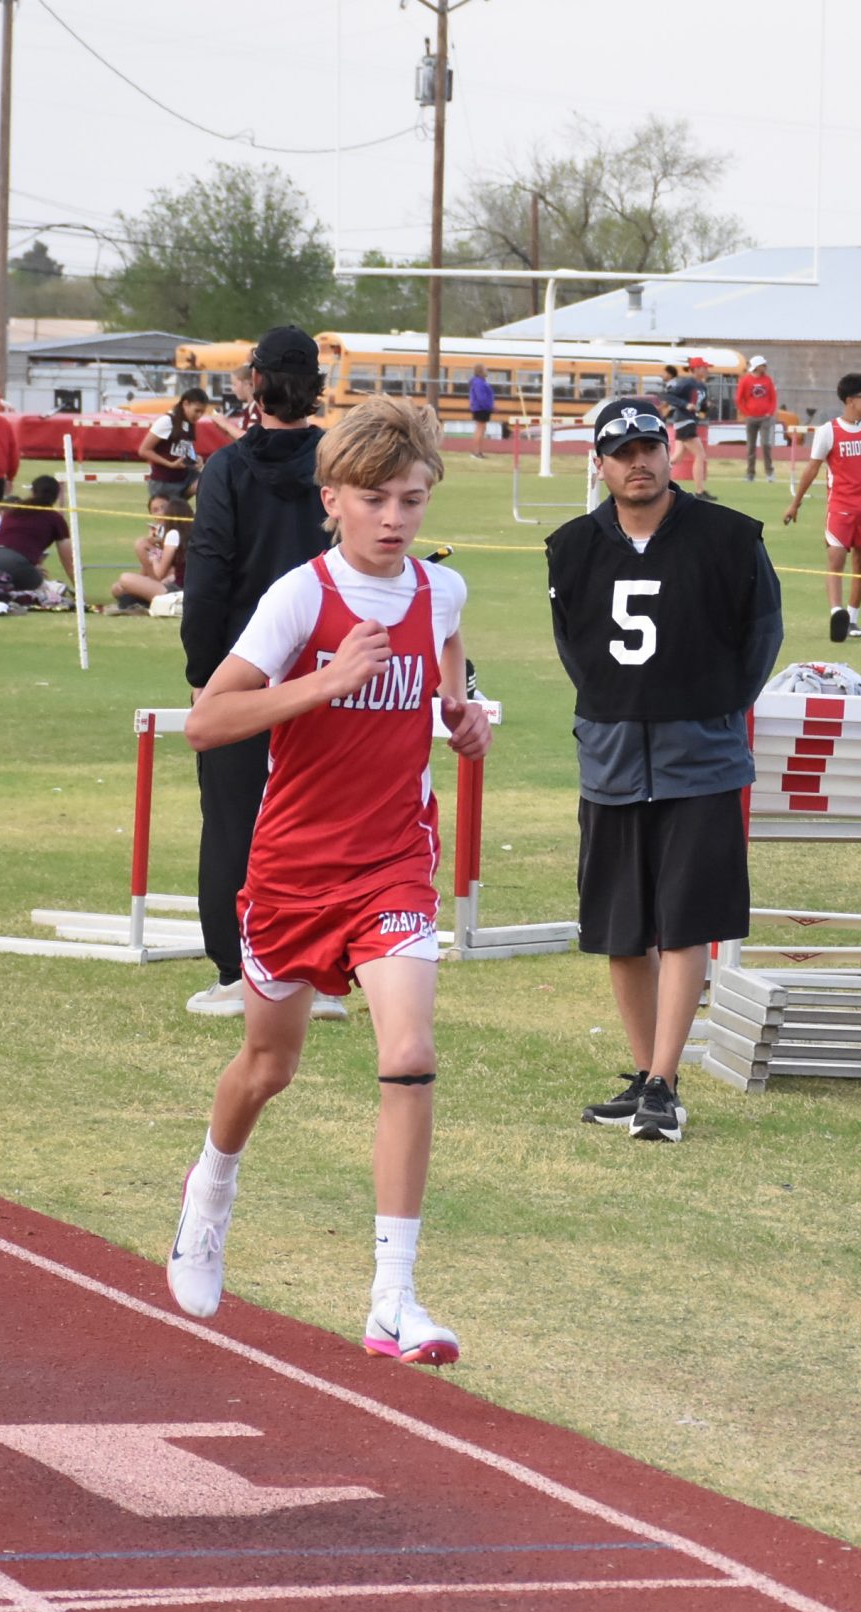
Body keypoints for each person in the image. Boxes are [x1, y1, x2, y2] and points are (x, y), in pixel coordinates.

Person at [165, 396, 488, 1364]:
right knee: (270, 1066)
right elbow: (206, 722)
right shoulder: (299, 599)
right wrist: (323, 683)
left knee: (411, 1053)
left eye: (412, 500)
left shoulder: (442, 591)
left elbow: (450, 676)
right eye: (376, 499)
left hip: (394, 863)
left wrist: (462, 716)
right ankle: (210, 1189)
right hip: (294, 869)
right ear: (332, 499)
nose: (395, 519)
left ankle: (393, 1298)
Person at [548, 400, 782, 1140]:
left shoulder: (729, 536)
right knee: (622, 928)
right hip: (612, 757)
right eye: (621, 452)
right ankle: (645, 1070)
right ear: (600, 463)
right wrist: (617, 711)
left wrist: (710, 709)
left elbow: (761, 635)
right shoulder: (572, 547)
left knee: (684, 921)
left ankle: (664, 1081)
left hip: (699, 757)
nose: (637, 462)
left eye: (648, 446)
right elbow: (575, 649)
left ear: (669, 450)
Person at [182, 326, 337, 1020]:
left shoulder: (227, 469)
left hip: (245, 666)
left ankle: (236, 971)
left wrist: (203, 670)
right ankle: (319, 969)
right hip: (328, 664)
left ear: (258, 383)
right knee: (326, 820)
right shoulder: (340, 463)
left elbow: (207, 574)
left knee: (232, 822)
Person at [782, 374, 861, 643]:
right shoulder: (828, 431)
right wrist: (795, 503)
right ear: (850, 400)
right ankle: (836, 612)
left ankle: (852, 617)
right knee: (836, 556)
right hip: (840, 508)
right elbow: (812, 469)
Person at [0, 475, 74, 593]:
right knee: (43, 592)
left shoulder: (13, 512)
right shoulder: (55, 519)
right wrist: (79, 591)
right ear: (56, 496)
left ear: (32, 492)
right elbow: (68, 560)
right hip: (13, 561)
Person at [114, 495, 189, 610]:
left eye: (164, 508)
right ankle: (142, 598)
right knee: (117, 588)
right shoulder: (189, 532)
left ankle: (145, 601)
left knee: (124, 578)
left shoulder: (173, 534)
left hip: (176, 590)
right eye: (155, 510)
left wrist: (154, 559)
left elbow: (160, 573)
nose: (161, 513)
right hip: (177, 584)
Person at [139, 388, 209, 502]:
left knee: (210, 479)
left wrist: (196, 458)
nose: (199, 415)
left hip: (183, 478)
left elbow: (185, 447)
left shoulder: (189, 423)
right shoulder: (167, 421)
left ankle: (184, 503)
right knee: (170, 514)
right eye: (197, 411)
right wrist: (169, 464)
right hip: (163, 482)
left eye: (202, 412)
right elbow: (144, 450)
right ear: (186, 404)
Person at [660, 359, 710, 492]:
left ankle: (656, 471)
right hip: (684, 420)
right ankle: (700, 491)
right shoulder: (687, 383)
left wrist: (706, 407)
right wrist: (685, 405)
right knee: (700, 455)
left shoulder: (702, 386)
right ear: (696, 369)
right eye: (704, 367)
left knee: (677, 457)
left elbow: (701, 406)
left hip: (691, 420)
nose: (706, 370)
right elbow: (668, 396)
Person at [739, 357, 781, 482]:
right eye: (763, 365)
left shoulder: (767, 380)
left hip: (765, 418)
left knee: (765, 445)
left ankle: (769, 472)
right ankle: (750, 473)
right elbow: (739, 399)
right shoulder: (745, 380)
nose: (765, 367)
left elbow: (773, 398)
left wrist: (769, 412)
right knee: (751, 447)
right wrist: (746, 413)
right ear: (757, 367)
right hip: (751, 418)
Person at [466, 364, 495, 458]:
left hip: (483, 408)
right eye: (485, 369)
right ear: (480, 371)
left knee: (482, 429)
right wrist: (489, 406)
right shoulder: (478, 382)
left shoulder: (482, 382)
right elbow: (481, 397)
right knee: (480, 429)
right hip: (480, 408)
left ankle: (479, 451)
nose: (487, 371)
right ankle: (476, 452)